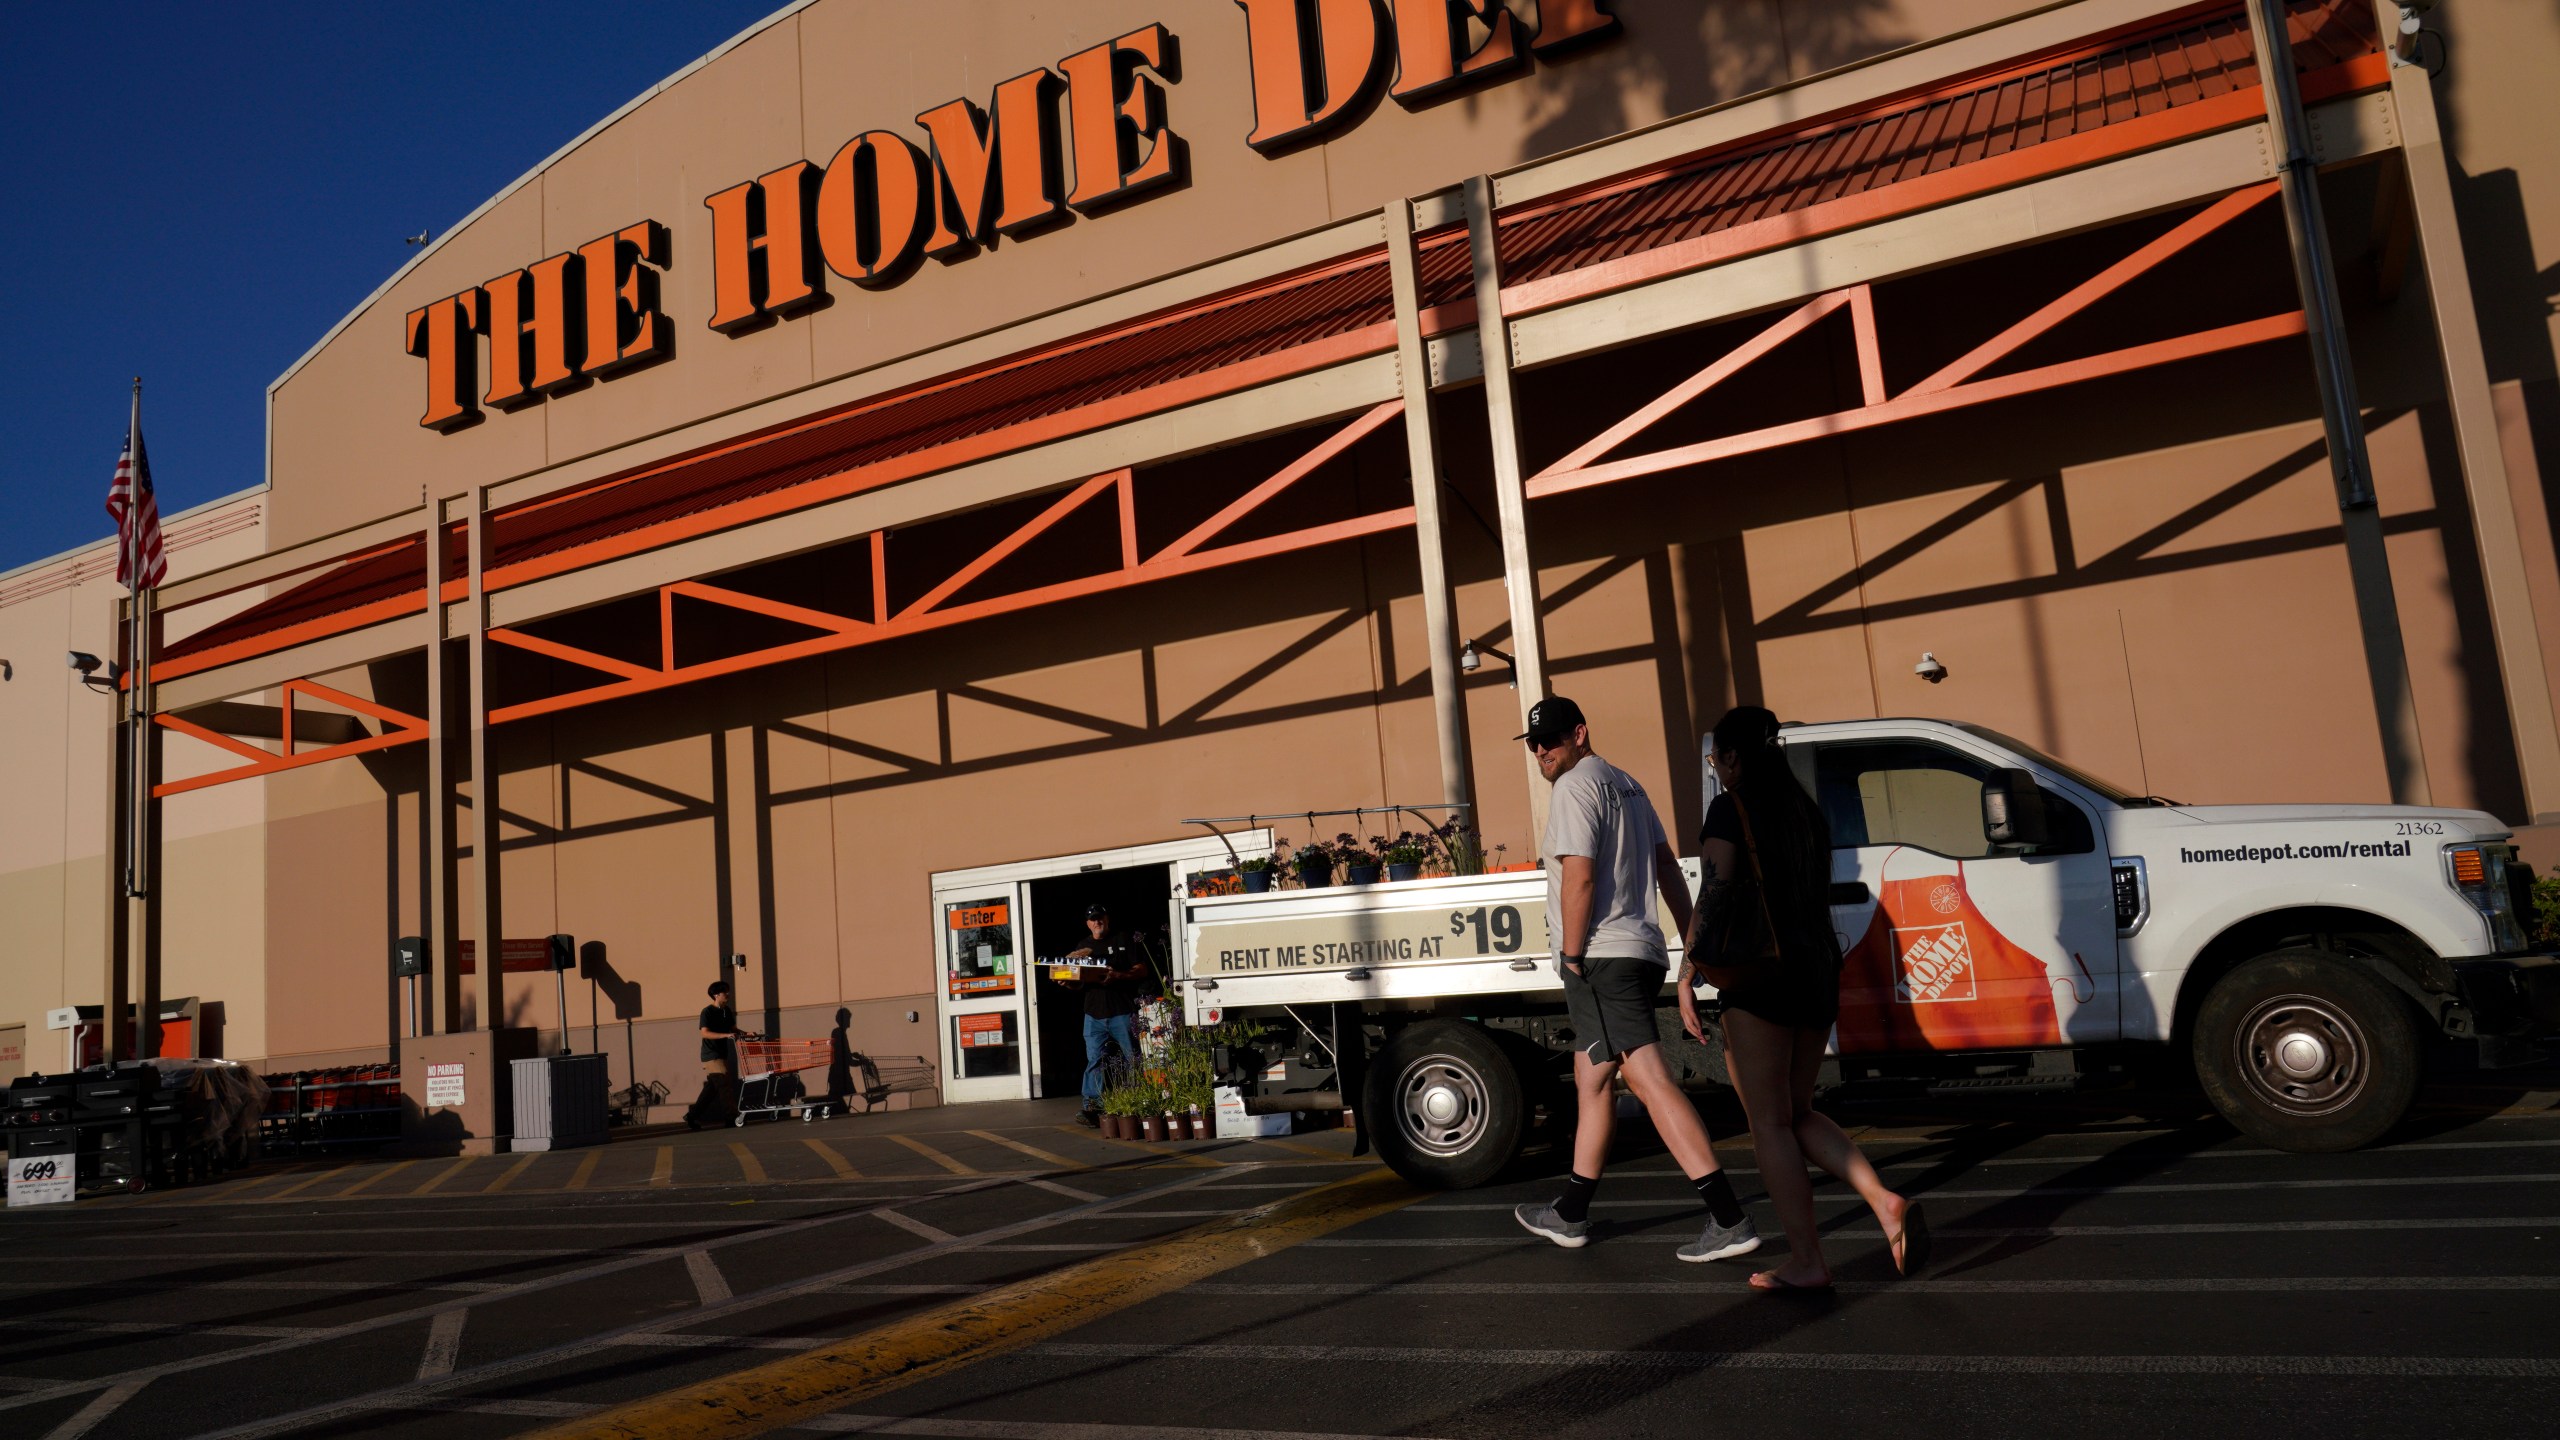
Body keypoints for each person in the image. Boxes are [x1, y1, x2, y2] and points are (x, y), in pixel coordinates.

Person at [1683, 704, 1926, 1291]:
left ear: (1735, 756)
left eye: (1717, 757)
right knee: (1796, 1111)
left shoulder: (1731, 806)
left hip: (1761, 976)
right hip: (1816, 971)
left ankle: (1808, 1262)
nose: (1716, 767)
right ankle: (1883, 1201)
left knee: (1767, 1122)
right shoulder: (1805, 811)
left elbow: (1712, 894)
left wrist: (1688, 971)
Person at [1512, 696, 1760, 1265]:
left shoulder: (1576, 787)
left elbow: (1579, 875)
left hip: (1600, 955)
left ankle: (1729, 1218)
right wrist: (1688, 939)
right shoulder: (1627, 785)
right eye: (1533, 743)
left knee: (1647, 1079)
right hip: (1636, 950)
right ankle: (1571, 1211)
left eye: (1550, 739)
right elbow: (1667, 866)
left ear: (1580, 733)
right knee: (1593, 1078)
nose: (1541, 751)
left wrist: (1572, 956)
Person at [1065, 902, 1155, 1127]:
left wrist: (1119, 976)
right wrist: (1066, 982)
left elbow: (1142, 969)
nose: (1097, 922)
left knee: (1132, 1058)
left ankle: (1140, 1102)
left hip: (1122, 1012)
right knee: (1095, 1060)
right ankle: (1092, 1106)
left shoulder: (1123, 940)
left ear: (1107, 919)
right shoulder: (1082, 947)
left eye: (1100, 917)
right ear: (1087, 923)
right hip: (1093, 1014)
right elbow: (1077, 984)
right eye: (1092, 919)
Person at [687, 980, 744, 1130]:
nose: (728, 994)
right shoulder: (707, 1012)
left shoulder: (727, 1011)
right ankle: (732, 1117)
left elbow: (733, 1029)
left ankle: (692, 1116)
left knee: (712, 1090)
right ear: (716, 995)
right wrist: (725, 1035)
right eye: (725, 992)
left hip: (722, 1054)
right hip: (711, 1055)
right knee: (724, 1084)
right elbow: (704, 1033)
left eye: (728, 991)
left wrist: (746, 1034)